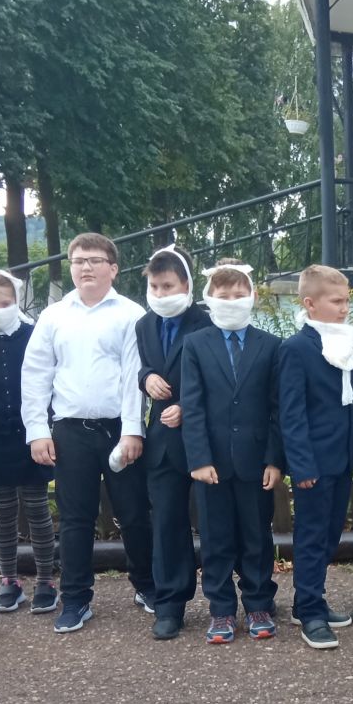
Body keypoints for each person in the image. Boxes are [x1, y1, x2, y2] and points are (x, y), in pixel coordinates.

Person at [21, 233, 151, 633]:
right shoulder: (54, 316)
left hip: (118, 429)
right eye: (78, 261)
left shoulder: (131, 314)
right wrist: (37, 430)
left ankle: (148, 586)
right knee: (75, 519)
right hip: (69, 431)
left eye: (95, 260)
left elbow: (134, 376)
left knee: (134, 513)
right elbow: (36, 373)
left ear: (113, 268)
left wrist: (133, 430)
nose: (86, 267)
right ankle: (76, 599)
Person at [280, 264, 353, 649]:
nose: (344, 308)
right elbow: (291, 414)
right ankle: (310, 612)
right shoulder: (295, 349)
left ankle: (308, 600)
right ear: (310, 304)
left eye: (346, 301)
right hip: (314, 463)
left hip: (342, 459)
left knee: (329, 535)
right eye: (336, 301)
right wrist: (301, 465)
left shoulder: (349, 343)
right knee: (311, 537)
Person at [180, 260, 284, 643]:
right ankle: (221, 609)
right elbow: (192, 405)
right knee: (216, 538)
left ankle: (258, 603)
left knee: (257, 536)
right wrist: (199, 459)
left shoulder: (271, 345)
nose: (232, 301)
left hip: (256, 462)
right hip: (213, 464)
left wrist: (275, 458)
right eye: (224, 295)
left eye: (240, 295)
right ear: (209, 299)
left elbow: (277, 408)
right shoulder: (195, 344)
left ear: (252, 297)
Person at [135, 245, 213, 638]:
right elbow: (143, 366)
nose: (161, 293)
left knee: (213, 523)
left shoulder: (207, 322)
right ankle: (169, 604)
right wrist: (146, 377)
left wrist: (186, 406)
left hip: (204, 439)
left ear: (186, 284)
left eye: (168, 286)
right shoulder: (144, 325)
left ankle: (222, 601)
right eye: (155, 286)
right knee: (166, 524)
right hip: (162, 441)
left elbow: (218, 378)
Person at [0, 266, 56, 614]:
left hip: (30, 433)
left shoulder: (32, 333)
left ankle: (46, 580)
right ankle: (9, 580)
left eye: (5, 303)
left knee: (37, 508)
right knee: (3, 511)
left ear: (17, 301)